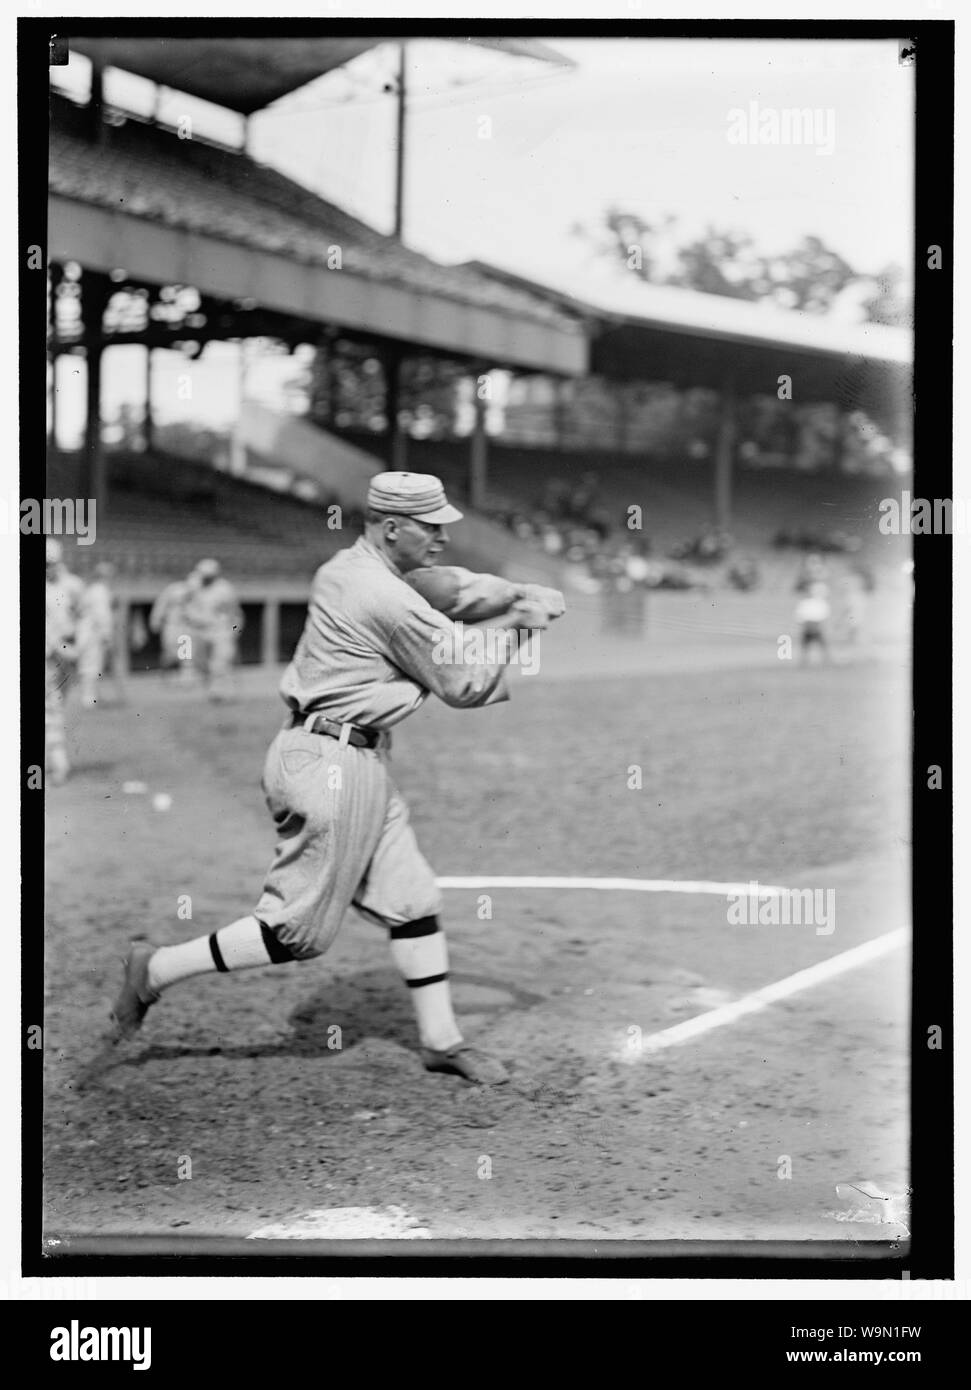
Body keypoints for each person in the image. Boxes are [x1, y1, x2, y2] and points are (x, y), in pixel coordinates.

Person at [110, 472, 563, 1085]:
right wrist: (522, 622)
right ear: (392, 527)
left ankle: (441, 1040)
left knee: (411, 897)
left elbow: (449, 589)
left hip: (353, 759)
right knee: (296, 932)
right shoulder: (380, 596)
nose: (441, 536)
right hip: (329, 769)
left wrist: (515, 593)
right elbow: (464, 681)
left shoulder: (354, 569)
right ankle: (156, 968)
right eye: (431, 526)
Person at [45, 538, 83, 785]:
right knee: (51, 710)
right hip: (47, 654)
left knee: (55, 708)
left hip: (65, 658)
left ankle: (56, 762)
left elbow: (85, 619)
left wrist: (77, 648)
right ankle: (58, 763)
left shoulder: (73, 585)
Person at [184, 559, 244, 701]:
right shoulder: (193, 584)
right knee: (201, 664)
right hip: (199, 630)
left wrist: (234, 631)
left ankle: (225, 693)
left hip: (220, 630)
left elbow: (234, 613)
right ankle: (211, 691)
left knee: (221, 663)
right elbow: (186, 605)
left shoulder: (225, 589)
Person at [77, 561, 122, 707]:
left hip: (89, 631)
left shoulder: (95, 589)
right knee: (91, 666)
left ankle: (92, 697)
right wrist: (107, 635)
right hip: (92, 632)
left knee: (93, 666)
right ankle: (89, 699)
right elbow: (102, 615)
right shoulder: (99, 591)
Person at [149, 572, 199, 682]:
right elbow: (161, 604)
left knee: (187, 653)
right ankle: (165, 674)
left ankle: (186, 678)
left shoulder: (201, 592)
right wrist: (156, 619)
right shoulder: (174, 589)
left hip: (187, 626)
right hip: (171, 625)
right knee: (170, 652)